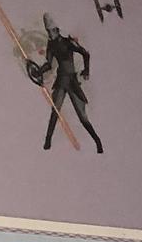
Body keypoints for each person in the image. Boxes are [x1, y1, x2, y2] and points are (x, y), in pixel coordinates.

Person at [40, 15, 103, 153]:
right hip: (61, 81)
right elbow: (49, 64)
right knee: (55, 111)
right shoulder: (51, 44)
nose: (49, 34)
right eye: (48, 31)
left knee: (82, 116)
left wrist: (86, 70)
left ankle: (97, 141)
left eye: (51, 31)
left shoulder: (68, 42)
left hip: (72, 81)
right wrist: (38, 70)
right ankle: (48, 140)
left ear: (56, 30)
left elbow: (85, 54)